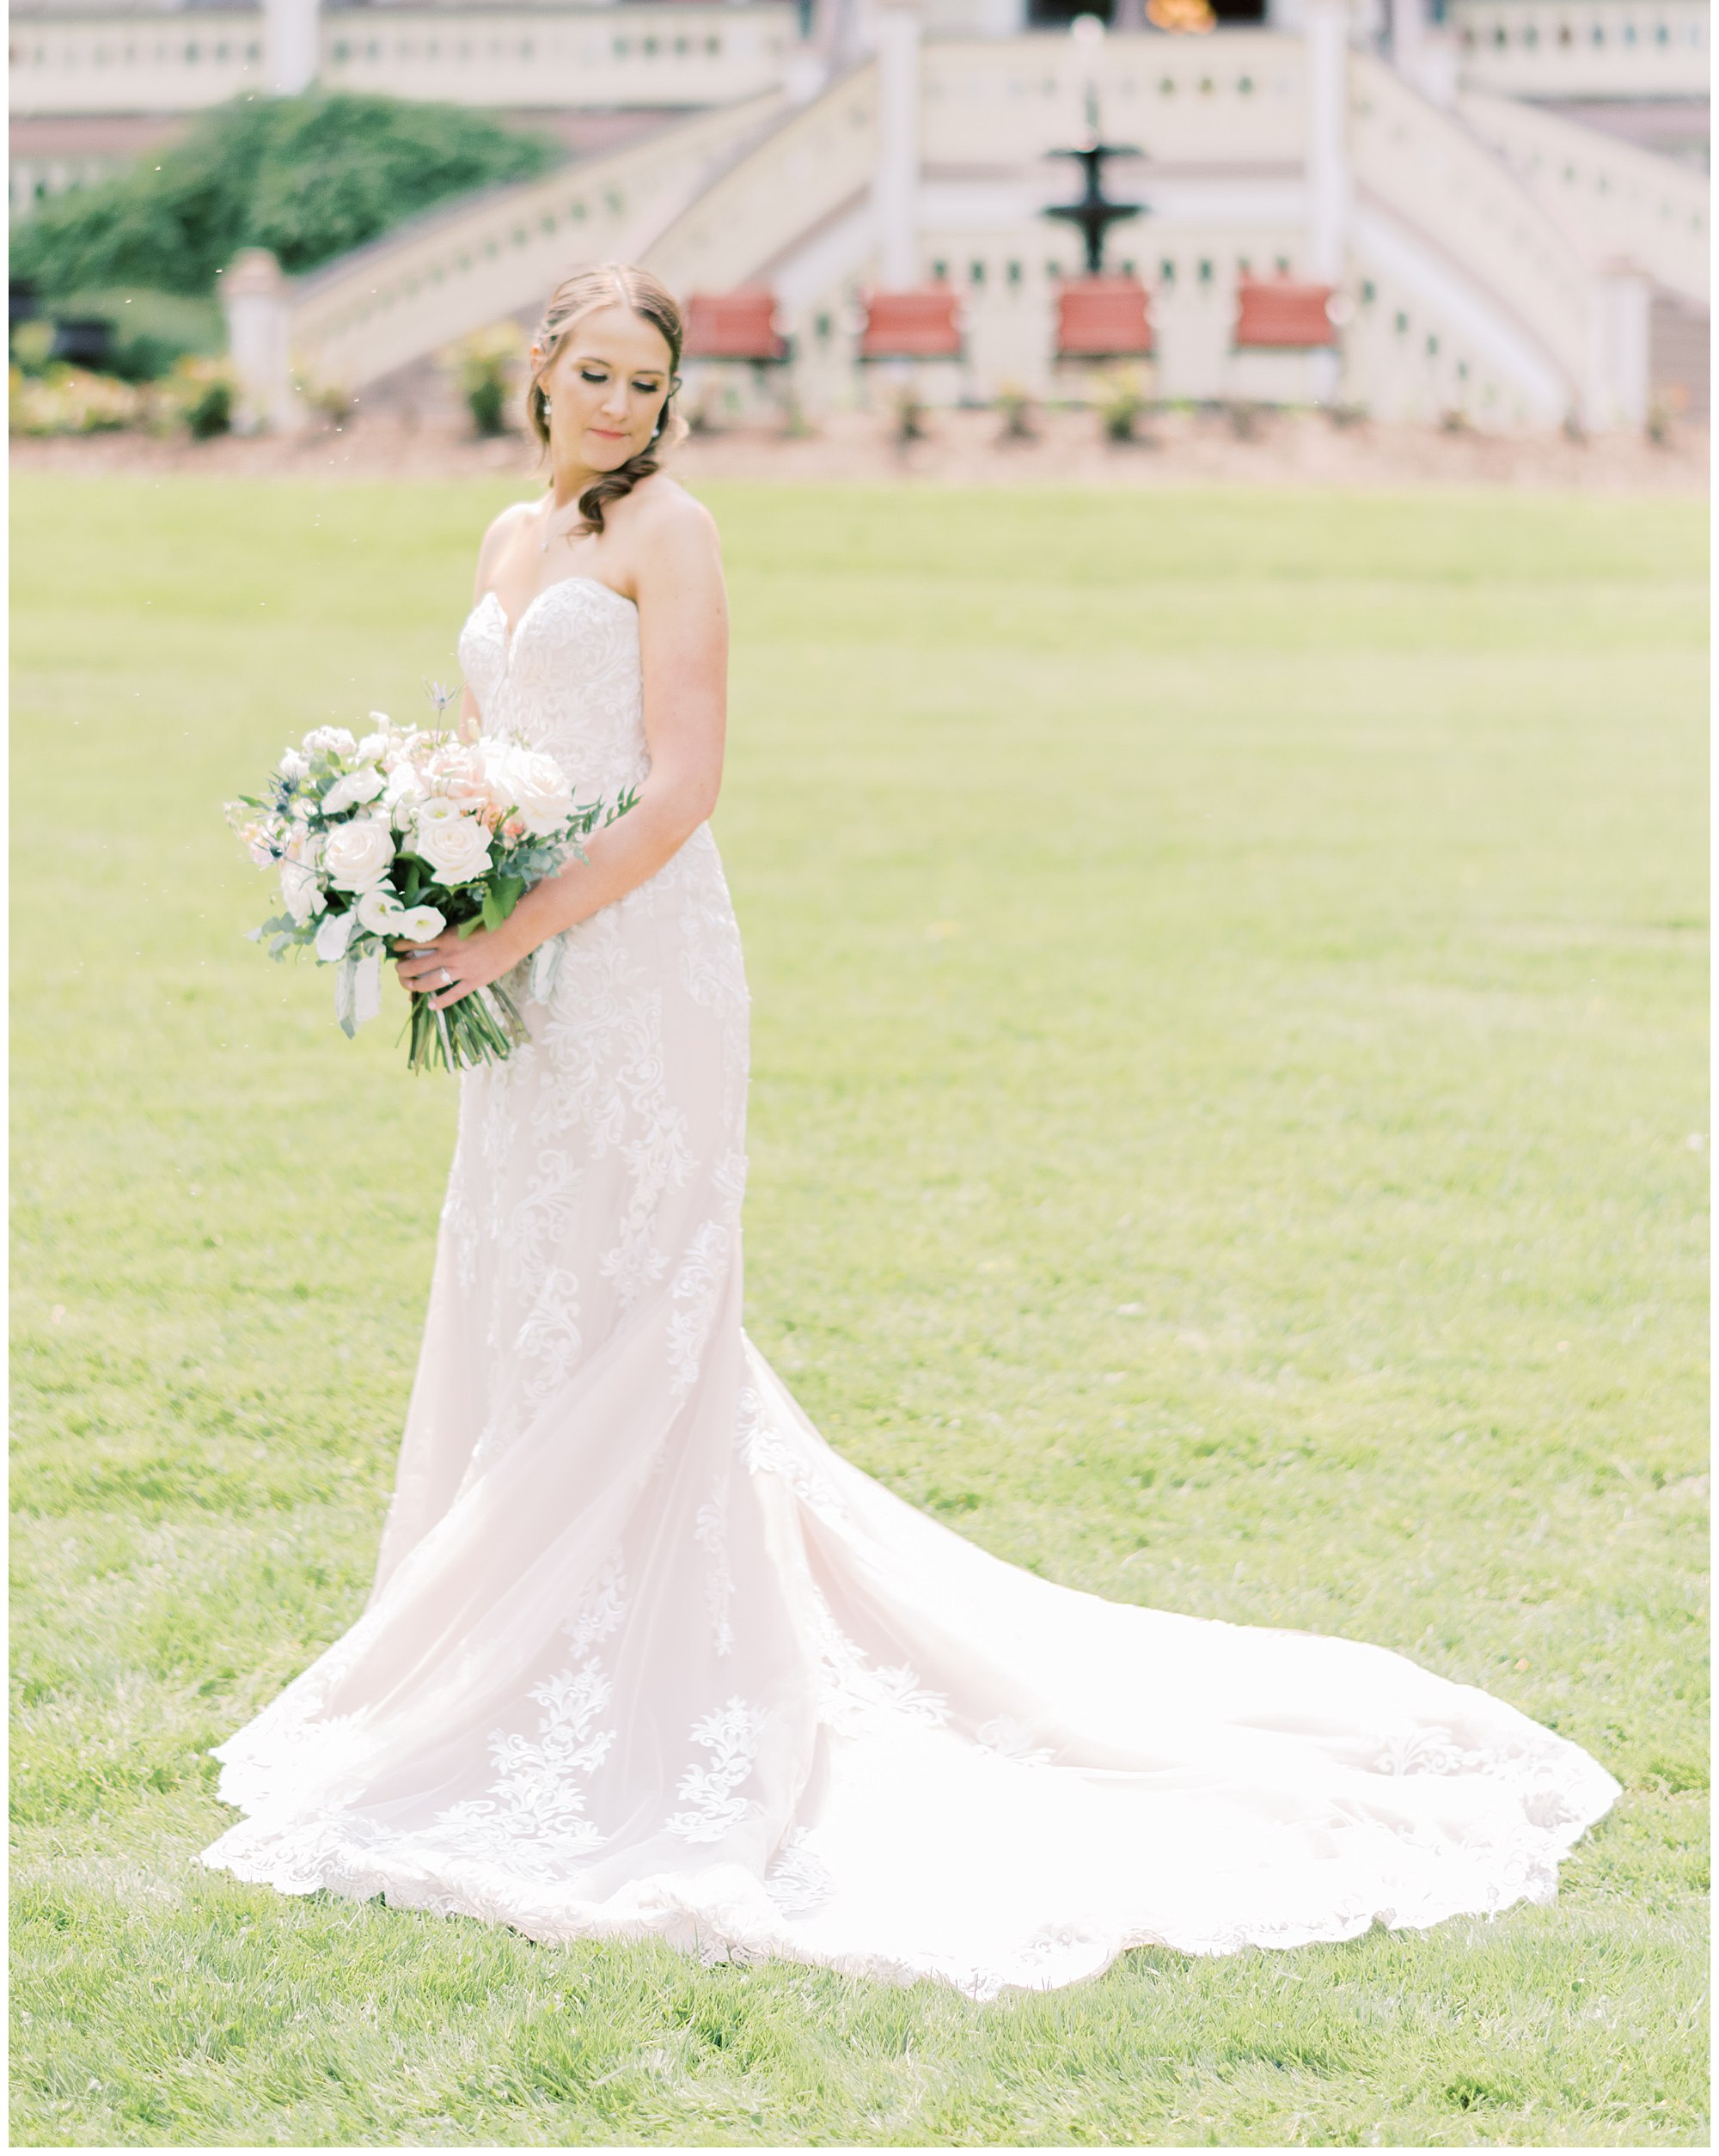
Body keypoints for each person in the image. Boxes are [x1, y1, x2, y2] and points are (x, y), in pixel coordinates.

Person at [203, 261, 1618, 1998]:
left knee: (646, 1309)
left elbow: (680, 784)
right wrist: (421, 861)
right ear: (540, 373)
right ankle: (501, 1647)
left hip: (639, 968)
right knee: (527, 1287)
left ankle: (661, 1692)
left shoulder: (676, 535)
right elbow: (496, 754)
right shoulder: (509, 539)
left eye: (647, 379)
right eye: (593, 370)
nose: (620, 404)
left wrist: (510, 926)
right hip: (530, 990)